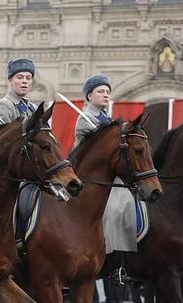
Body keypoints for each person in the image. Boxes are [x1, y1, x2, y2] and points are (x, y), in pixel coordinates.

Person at [75, 74, 136, 280]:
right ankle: (111, 265)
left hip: (110, 177)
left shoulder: (108, 121)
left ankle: (123, 261)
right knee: (113, 210)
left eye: (108, 92)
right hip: (91, 177)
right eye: (100, 91)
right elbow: (87, 152)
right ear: (89, 96)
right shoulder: (85, 119)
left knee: (130, 205)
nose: (106, 95)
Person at [0, 58, 37, 124]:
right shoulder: (3, 106)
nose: (25, 81)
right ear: (10, 80)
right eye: (20, 77)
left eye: (28, 78)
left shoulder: (33, 108)